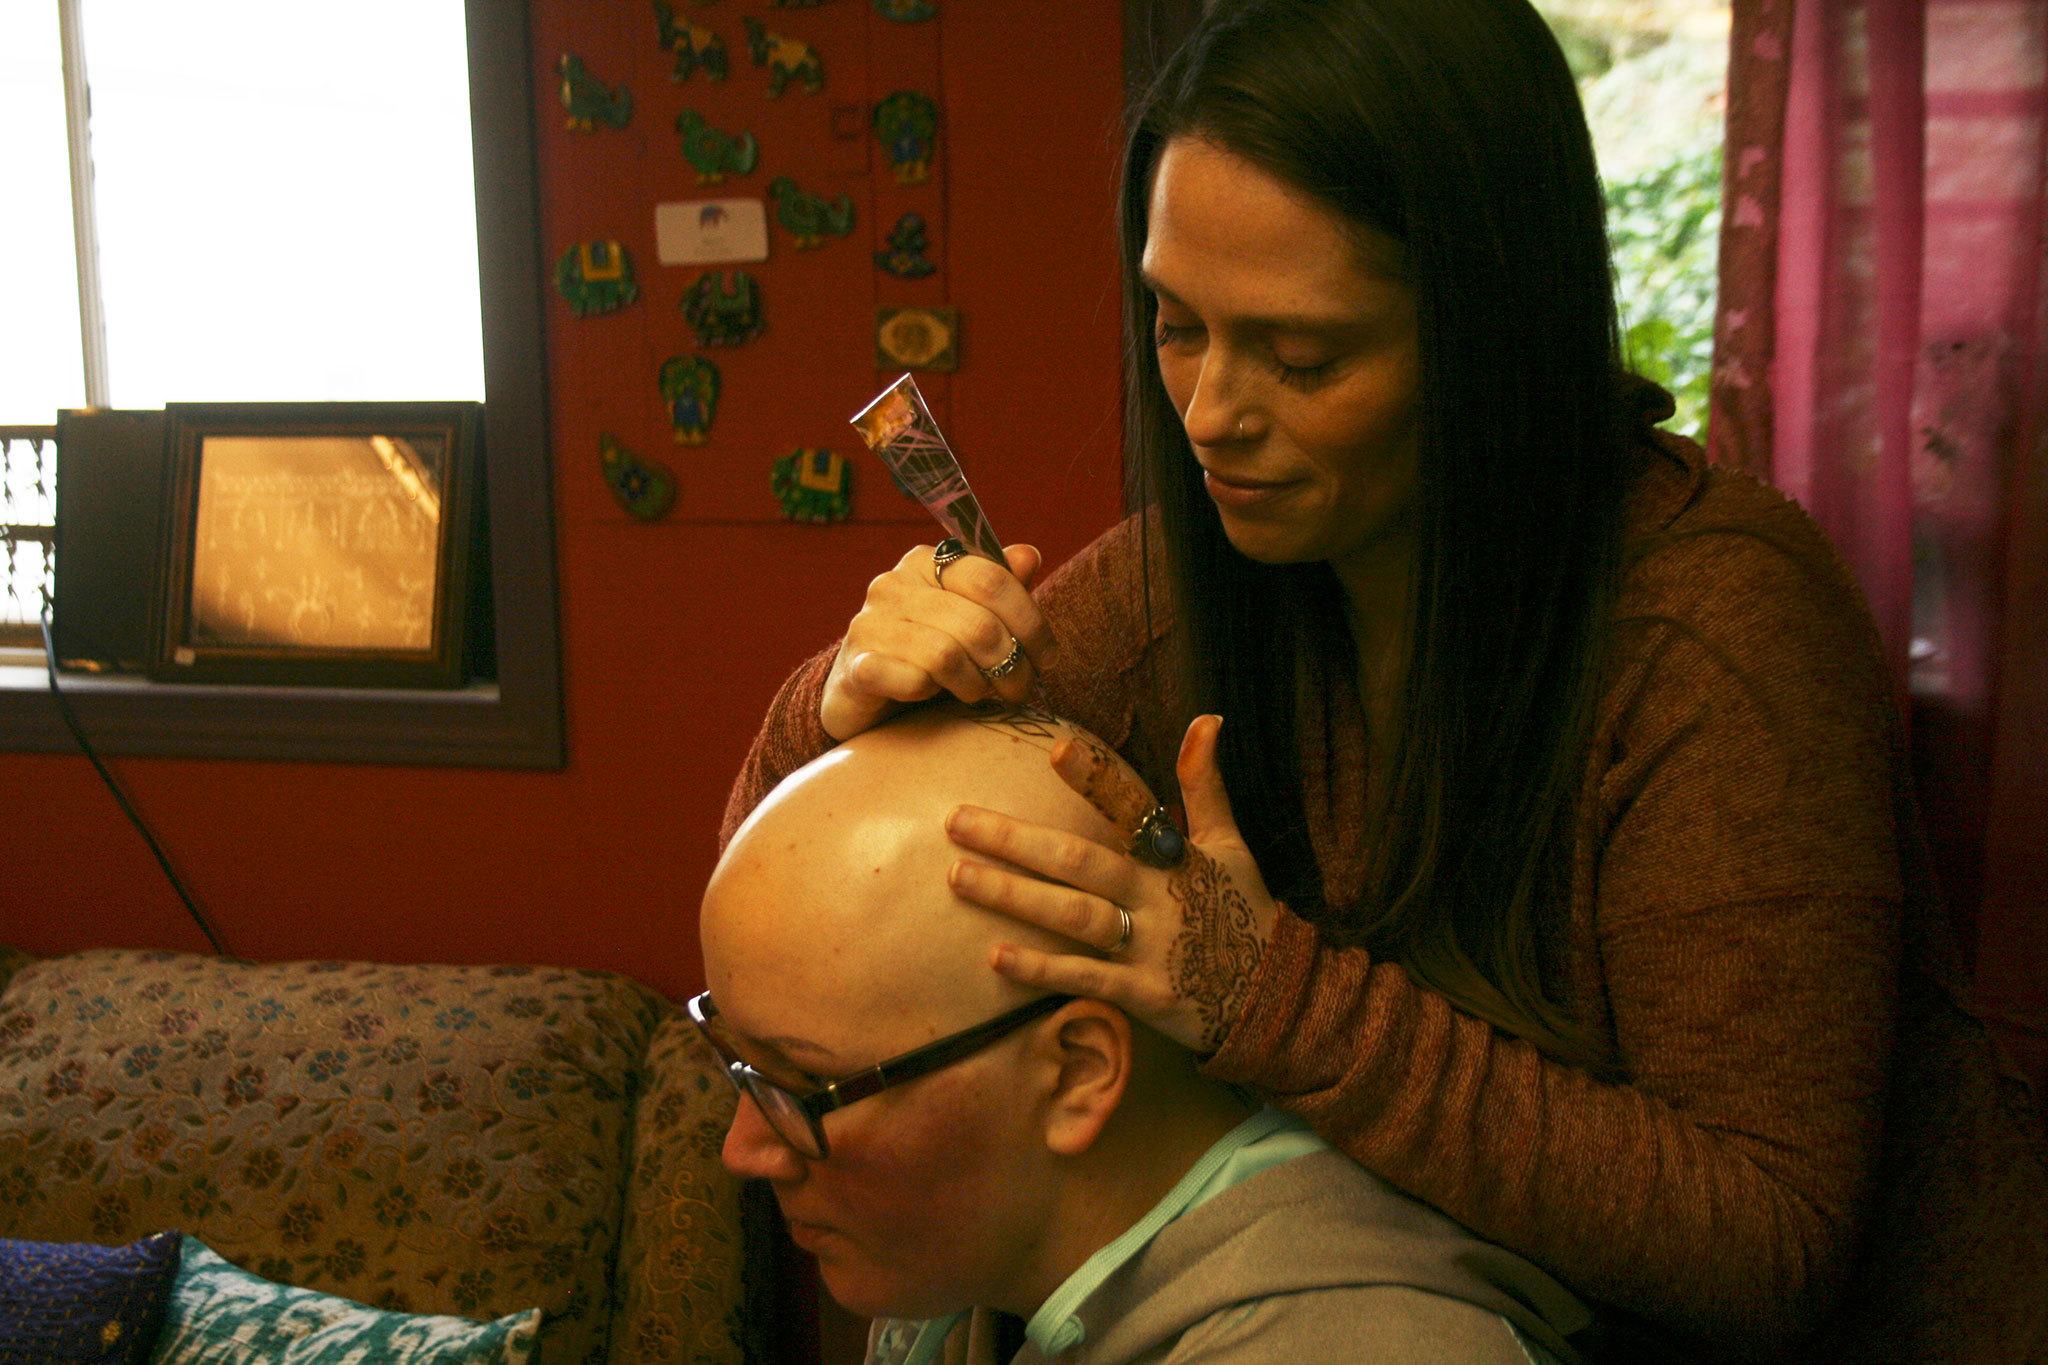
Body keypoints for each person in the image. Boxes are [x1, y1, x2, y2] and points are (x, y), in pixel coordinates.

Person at [723, 0, 2048, 1358]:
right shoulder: (1198, 574)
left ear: (1491, 337)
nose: (1210, 415)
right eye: (1176, 323)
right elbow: (803, 937)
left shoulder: (1714, 631)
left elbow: (1768, 1240)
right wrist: (843, 705)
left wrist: (1267, 998)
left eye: (1305, 357)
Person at [699, 704, 1593, 1364]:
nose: (745, 1147)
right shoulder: (969, 1266)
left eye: (800, 1089)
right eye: (737, 1062)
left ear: (1079, 1074)